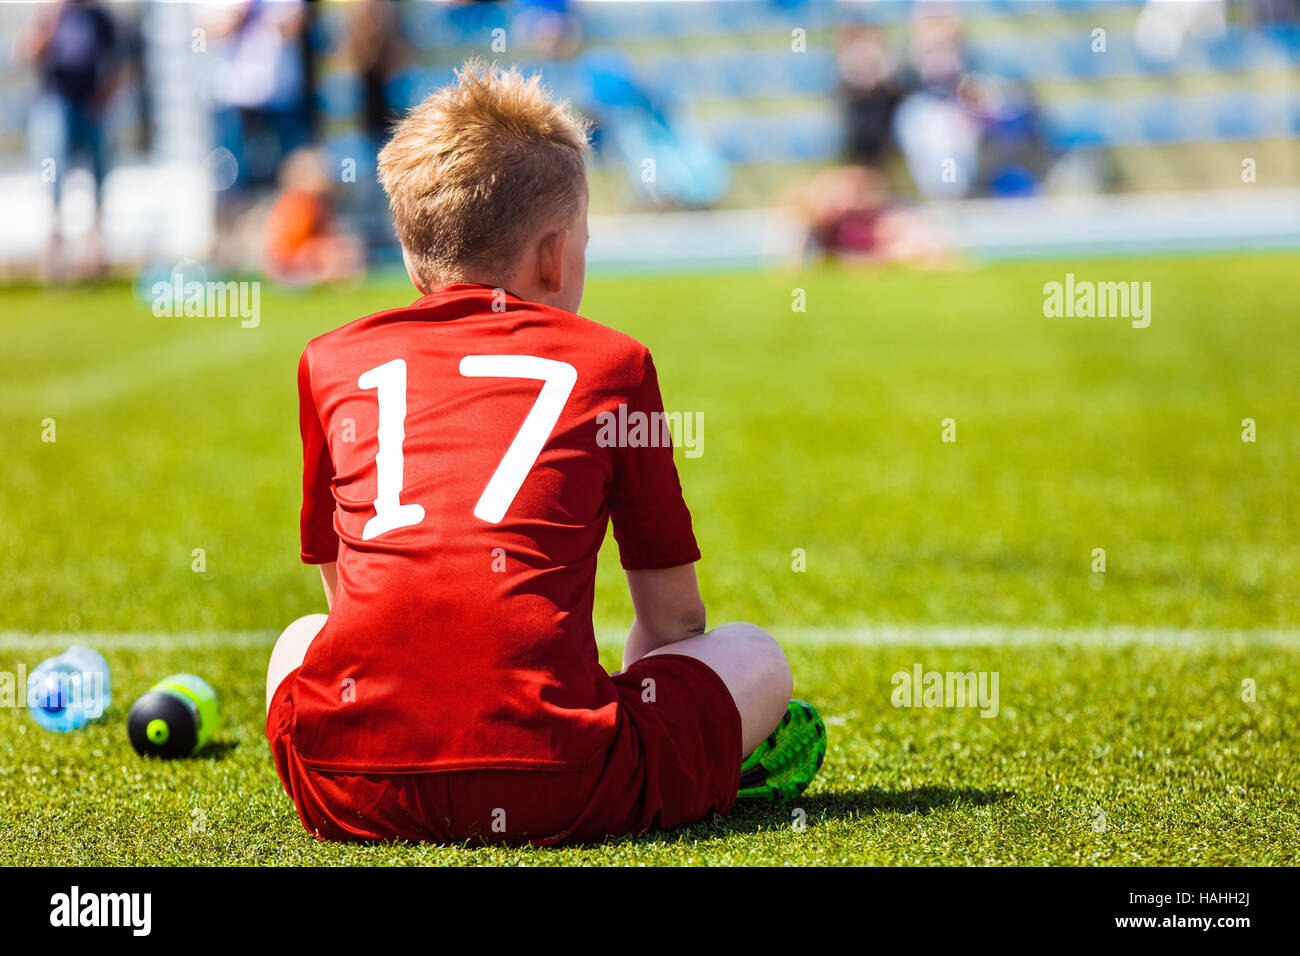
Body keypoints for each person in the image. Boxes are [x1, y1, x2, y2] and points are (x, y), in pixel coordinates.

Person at [264, 60, 825, 846]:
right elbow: (672, 620)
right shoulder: (613, 365)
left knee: (296, 639)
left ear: (412, 251)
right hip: (563, 787)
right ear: (555, 256)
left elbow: (342, 602)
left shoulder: (328, 360)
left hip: (348, 788)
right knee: (756, 656)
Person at [20, 0, 121, 279]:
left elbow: (116, 61)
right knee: (54, 177)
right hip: (56, 104)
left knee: (99, 177)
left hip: (91, 106)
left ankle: (94, 251)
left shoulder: (98, 17)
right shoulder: (49, 15)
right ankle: (55, 250)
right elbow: (28, 53)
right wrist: (47, 26)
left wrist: (105, 95)